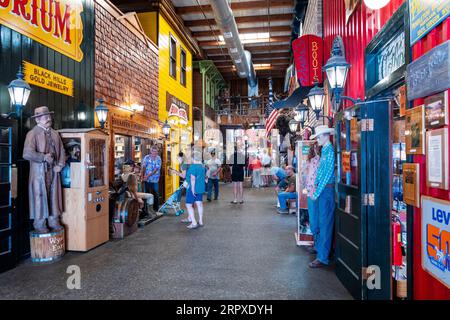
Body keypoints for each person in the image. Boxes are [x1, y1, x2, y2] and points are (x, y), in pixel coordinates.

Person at [23, 106, 66, 234]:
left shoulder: (55, 133)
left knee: (53, 196)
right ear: (37, 120)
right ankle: (39, 223)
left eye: (49, 116)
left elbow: (62, 151)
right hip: (39, 173)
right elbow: (27, 153)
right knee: (39, 197)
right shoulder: (32, 134)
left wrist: (60, 164)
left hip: (53, 172)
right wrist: (43, 157)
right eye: (45, 117)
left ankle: (54, 221)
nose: (48, 119)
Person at [308, 125, 335, 268]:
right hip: (322, 191)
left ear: (325, 136)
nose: (317, 139)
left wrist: (316, 192)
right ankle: (320, 251)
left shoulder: (329, 151)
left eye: (319, 136)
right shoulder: (325, 150)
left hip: (326, 191)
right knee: (320, 221)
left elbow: (327, 174)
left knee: (325, 224)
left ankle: (323, 257)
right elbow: (321, 173)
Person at [303, 142, 321, 254]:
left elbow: (308, 175)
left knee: (315, 218)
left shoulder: (317, 160)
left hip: (315, 192)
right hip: (312, 192)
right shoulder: (313, 161)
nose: (315, 149)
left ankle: (317, 244)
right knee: (314, 218)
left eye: (316, 148)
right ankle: (316, 243)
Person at [185, 151, 206, 229]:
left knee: (188, 205)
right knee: (199, 204)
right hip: (200, 188)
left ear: (193, 158)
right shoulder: (202, 167)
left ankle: (193, 222)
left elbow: (192, 179)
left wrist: (193, 190)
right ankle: (200, 221)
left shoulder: (193, 167)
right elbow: (206, 175)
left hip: (192, 188)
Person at [141, 145, 162, 212]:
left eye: (156, 152)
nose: (154, 153)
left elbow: (155, 170)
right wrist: (142, 176)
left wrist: (147, 176)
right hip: (147, 179)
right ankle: (147, 209)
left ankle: (156, 209)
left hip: (155, 179)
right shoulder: (146, 158)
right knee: (146, 193)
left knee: (155, 193)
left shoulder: (158, 158)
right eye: (153, 151)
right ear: (150, 151)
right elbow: (143, 167)